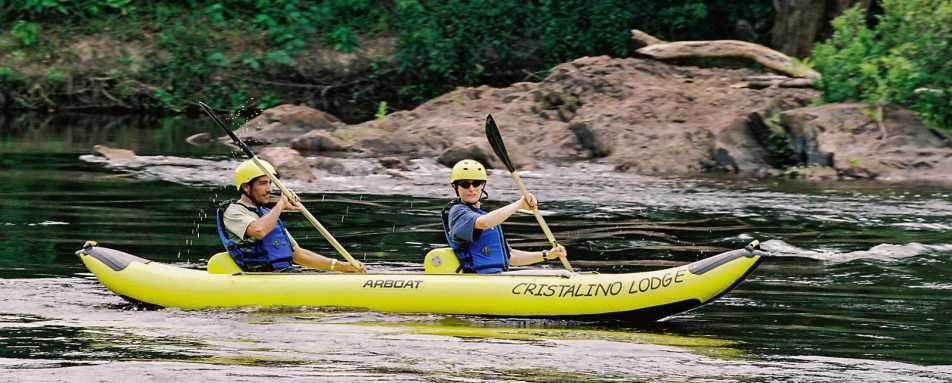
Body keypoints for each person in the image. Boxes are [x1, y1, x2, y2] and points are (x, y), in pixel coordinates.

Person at [215, 159, 366, 273]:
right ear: (246, 187)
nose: (269, 189)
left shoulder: (268, 214)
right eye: (262, 183)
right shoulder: (233, 211)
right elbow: (259, 231)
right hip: (258, 277)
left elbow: (298, 255)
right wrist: (281, 204)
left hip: (282, 275)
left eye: (270, 183)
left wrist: (340, 266)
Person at [440, 159, 567, 274]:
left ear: (482, 185)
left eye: (476, 183)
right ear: (455, 187)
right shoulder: (457, 212)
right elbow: (484, 223)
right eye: (465, 184)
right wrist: (519, 204)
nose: (472, 189)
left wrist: (546, 255)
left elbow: (510, 256)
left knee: (561, 274)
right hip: (478, 279)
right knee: (561, 275)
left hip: (497, 278)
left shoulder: (482, 215)